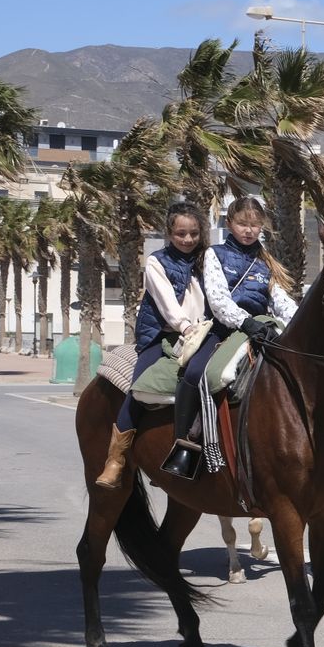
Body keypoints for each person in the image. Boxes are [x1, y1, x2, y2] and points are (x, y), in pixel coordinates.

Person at [161, 196, 298, 479]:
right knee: (196, 372)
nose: (249, 230)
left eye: (255, 225)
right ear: (229, 224)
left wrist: (298, 320)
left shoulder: (265, 261)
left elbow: (279, 299)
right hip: (226, 328)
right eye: (242, 224)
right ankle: (184, 446)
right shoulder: (215, 254)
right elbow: (219, 300)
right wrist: (245, 322)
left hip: (264, 327)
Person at [96, 202, 208, 488]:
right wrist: (186, 327)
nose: (188, 239)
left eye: (194, 233)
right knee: (139, 387)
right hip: (162, 334)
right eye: (181, 233)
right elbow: (168, 305)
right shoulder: (158, 262)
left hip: (204, 333)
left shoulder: (207, 260)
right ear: (170, 232)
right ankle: (116, 459)